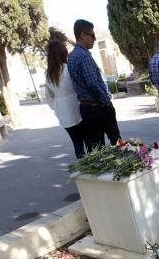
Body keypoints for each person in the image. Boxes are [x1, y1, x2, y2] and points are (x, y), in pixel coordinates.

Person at [67, 19, 121, 150]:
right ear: (82, 35)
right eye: (92, 35)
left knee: (96, 148)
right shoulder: (84, 56)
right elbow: (93, 84)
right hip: (97, 107)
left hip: (86, 108)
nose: (94, 38)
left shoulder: (72, 55)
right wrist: (106, 101)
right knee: (117, 142)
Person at [45, 40, 87, 159]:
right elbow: (78, 87)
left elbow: (48, 97)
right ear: (63, 53)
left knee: (77, 143)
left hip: (62, 112)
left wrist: (56, 107)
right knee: (89, 140)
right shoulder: (68, 68)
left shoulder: (48, 74)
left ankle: (83, 168)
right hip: (76, 107)